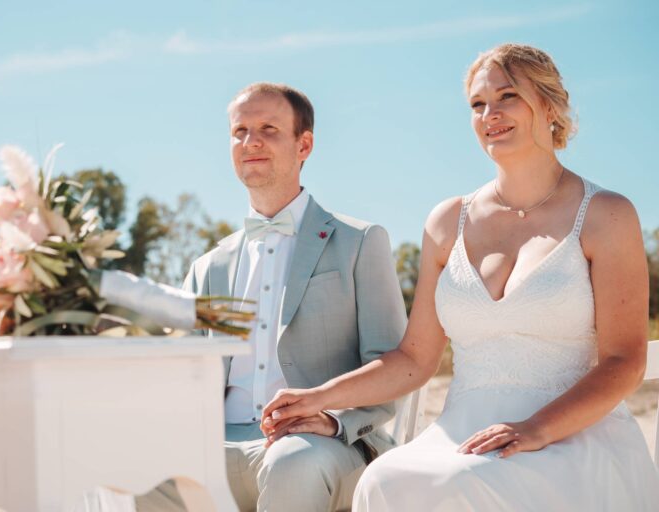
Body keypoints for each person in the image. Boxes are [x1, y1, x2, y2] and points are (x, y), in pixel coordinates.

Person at [262, 44, 659, 511]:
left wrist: (535, 429)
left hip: (571, 434)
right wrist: (319, 398)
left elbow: (623, 361)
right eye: (477, 104)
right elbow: (414, 358)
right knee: (386, 478)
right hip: (461, 432)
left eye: (507, 96)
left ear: (549, 105)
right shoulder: (448, 220)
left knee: (468, 481)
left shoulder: (606, 214)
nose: (490, 114)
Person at [137, 82, 407, 512]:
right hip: (219, 444)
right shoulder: (209, 267)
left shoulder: (358, 242)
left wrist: (334, 419)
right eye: (239, 130)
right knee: (137, 467)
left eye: (268, 128)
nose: (251, 141)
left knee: (292, 461)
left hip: (326, 443)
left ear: (305, 145)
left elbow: (392, 364)